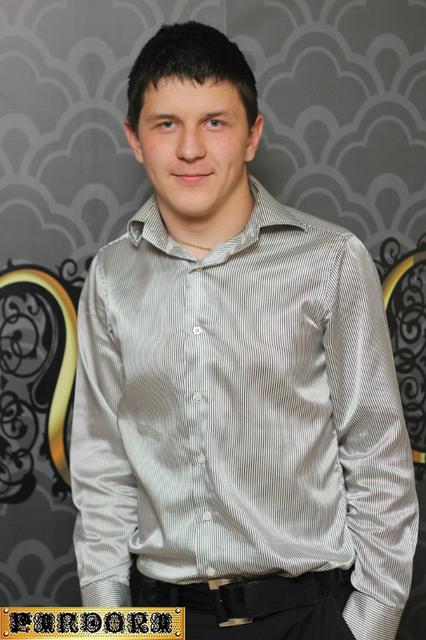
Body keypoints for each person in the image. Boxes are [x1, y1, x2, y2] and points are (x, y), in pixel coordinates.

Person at [70, 20, 418, 640]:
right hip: (160, 619)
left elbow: (375, 451)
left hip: (307, 616)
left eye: (215, 122)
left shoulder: (332, 260)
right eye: (166, 124)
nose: (190, 149)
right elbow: (102, 467)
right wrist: (106, 624)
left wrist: (368, 625)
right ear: (134, 138)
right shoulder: (111, 275)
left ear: (252, 134)